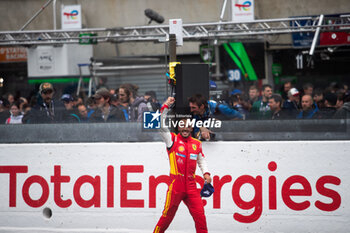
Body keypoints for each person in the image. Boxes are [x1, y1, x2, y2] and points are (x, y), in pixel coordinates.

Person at [153, 96, 212, 233]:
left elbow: (201, 159)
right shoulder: (171, 139)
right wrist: (165, 107)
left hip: (191, 187)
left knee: (200, 217)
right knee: (167, 217)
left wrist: (206, 174)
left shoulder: (196, 143)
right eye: (182, 126)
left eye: (188, 126)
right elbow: (161, 126)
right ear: (178, 127)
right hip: (176, 186)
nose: (185, 129)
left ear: (191, 128)